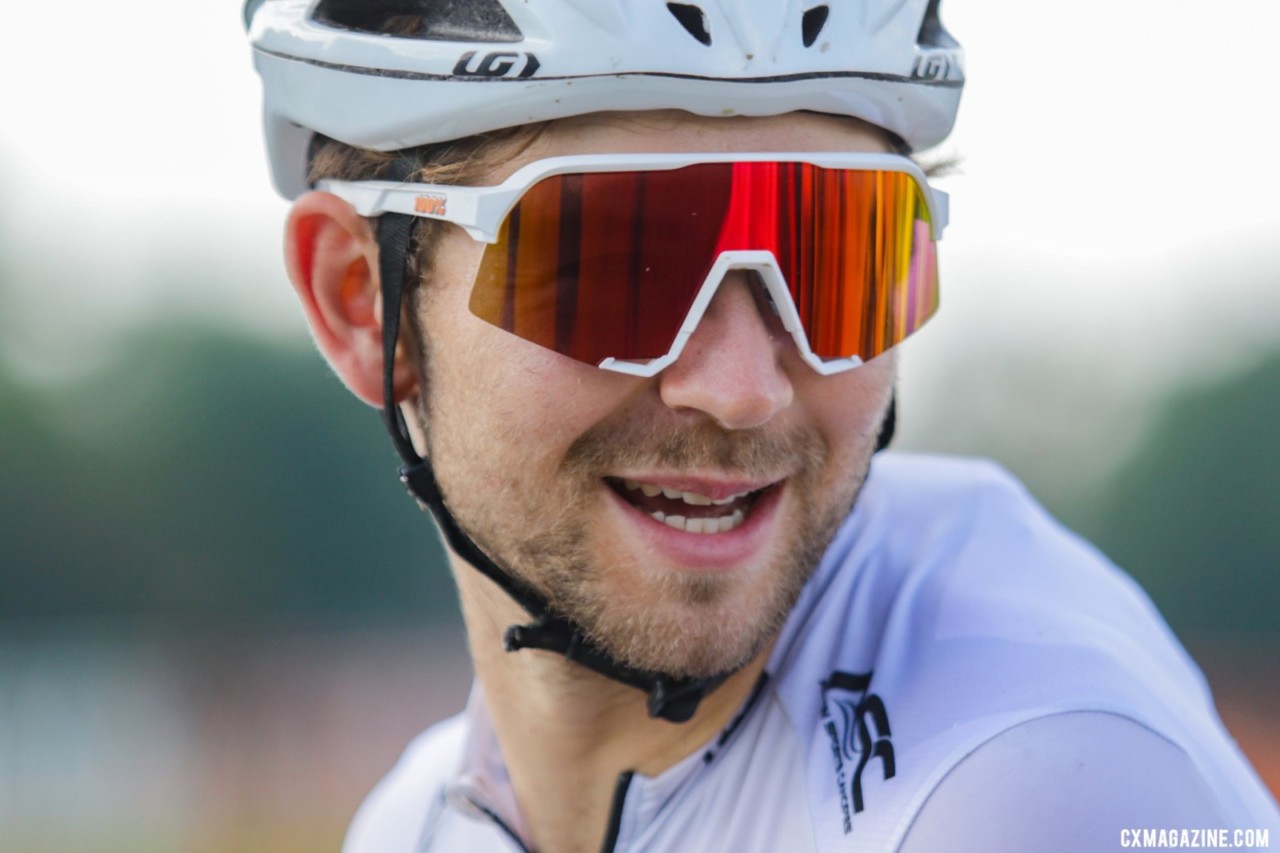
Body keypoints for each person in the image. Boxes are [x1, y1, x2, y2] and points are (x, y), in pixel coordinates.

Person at [244, 1, 1280, 850]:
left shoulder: (1026, 787)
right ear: (361, 302)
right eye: (617, 266)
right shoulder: (419, 821)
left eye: (837, 258)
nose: (742, 390)